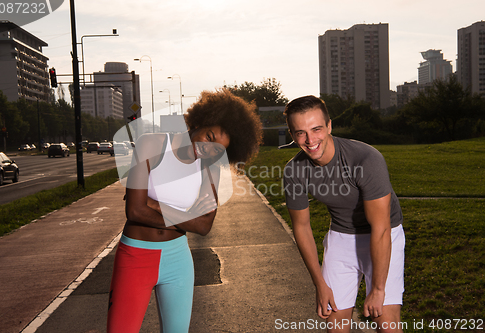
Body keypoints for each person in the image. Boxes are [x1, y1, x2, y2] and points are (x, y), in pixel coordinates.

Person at [107, 89, 263, 333]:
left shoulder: (210, 168)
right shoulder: (152, 144)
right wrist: (186, 215)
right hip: (136, 256)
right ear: (200, 121)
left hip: (177, 259)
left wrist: (155, 204)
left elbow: (203, 226)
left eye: (217, 151)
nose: (208, 149)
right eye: (209, 136)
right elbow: (135, 212)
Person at [282, 95, 405, 333]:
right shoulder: (294, 171)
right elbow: (301, 227)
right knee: (335, 326)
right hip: (341, 236)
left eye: (316, 129)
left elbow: (380, 228)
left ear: (329, 126)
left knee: (386, 325)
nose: (310, 140)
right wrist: (320, 284)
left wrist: (378, 290)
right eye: (300, 133)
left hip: (382, 235)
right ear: (293, 135)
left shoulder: (365, 159)